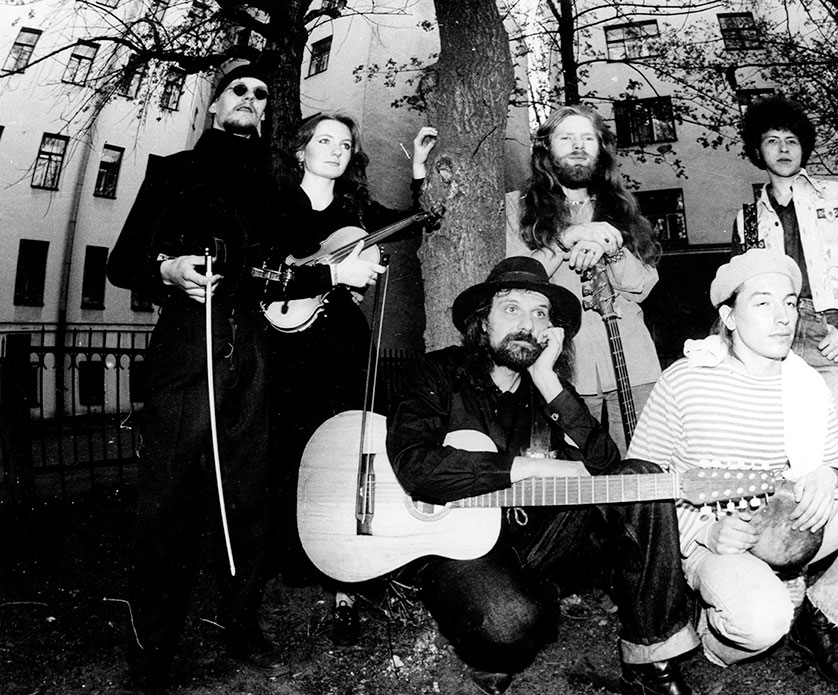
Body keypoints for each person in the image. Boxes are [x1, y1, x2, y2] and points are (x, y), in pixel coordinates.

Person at [386, 257, 698, 695]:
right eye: (512, 309)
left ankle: (653, 658)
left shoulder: (546, 389)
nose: (527, 324)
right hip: (460, 550)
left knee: (640, 479)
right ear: (483, 322)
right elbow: (416, 466)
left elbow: (606, 466)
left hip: (540, 540)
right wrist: (529, 467)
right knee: (509, 624)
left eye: (540, 314)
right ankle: (527, 606)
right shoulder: (438, 372)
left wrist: (549, 380)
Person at [628, 249, 838, 688]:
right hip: (717, 540)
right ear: (729, 316)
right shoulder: (686, 380)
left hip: (790, 530)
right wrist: (705, 535)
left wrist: (828, 475)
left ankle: (823, 615)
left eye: (789, 303)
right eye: (763, 302)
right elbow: (641, 484)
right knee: (761, 624)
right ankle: (719, 625)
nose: (783, 317)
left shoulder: (806, 383)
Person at [105, 62, 294, 692]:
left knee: (247, 498)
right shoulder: (174, 171)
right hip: (189, 345)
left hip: (253, 350)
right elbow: (123, 262)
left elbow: (286, 271)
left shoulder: (271, 189)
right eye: (238, 90)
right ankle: (151, 651)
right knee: (167, 503)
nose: (251, 99)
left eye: (261, 95)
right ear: (214, 105)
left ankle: (241, 626)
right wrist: (168, 267)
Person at [266, 112, 436, 647]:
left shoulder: (354, 210)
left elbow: (416, 220)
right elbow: (265, 272)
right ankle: (298, 555)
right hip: (285, 344)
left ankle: (347, 581)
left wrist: (419, 170)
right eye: (324, 140)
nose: (336, 149)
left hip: (341, 340)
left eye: (345, 143)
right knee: (291, 449)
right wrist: (330, 271)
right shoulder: (275, 206)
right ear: (301, 150)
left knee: (349, 446)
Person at [732, 95, 838, 476]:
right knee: (782, 465)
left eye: (792, 140)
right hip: (770, 343)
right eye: (772, 140)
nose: (783, 149)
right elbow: (738, 295)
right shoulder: (747, 220)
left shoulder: (836, 197)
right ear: (757, 151)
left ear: (804, 148)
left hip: (825, 333)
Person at [506, 104, 663, 454]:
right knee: (575, 467)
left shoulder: (621, 207)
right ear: (546, 149)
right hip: (561, 366)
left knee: (643, 464)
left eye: (588, 139)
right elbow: (517, 281)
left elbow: (642, 286)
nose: (578, 146)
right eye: (566, 138)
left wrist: (610, 246)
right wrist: (568, 238)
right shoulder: (517, 208)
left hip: (633, 364)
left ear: (600, 149)